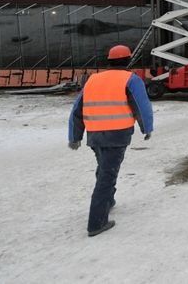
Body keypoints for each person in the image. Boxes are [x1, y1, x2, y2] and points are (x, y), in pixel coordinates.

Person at [68, 44, 154, 237]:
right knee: (107, 175)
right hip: (117, 135)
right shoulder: (131, 79)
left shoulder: (92, 80)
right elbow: (142, 106)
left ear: (109, 61)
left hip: (95, 135)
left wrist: (74, 136)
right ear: (129, 60)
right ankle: (96, 223)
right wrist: (146, 128)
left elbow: (77, 110)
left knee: (105, 169)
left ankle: (108, 200)